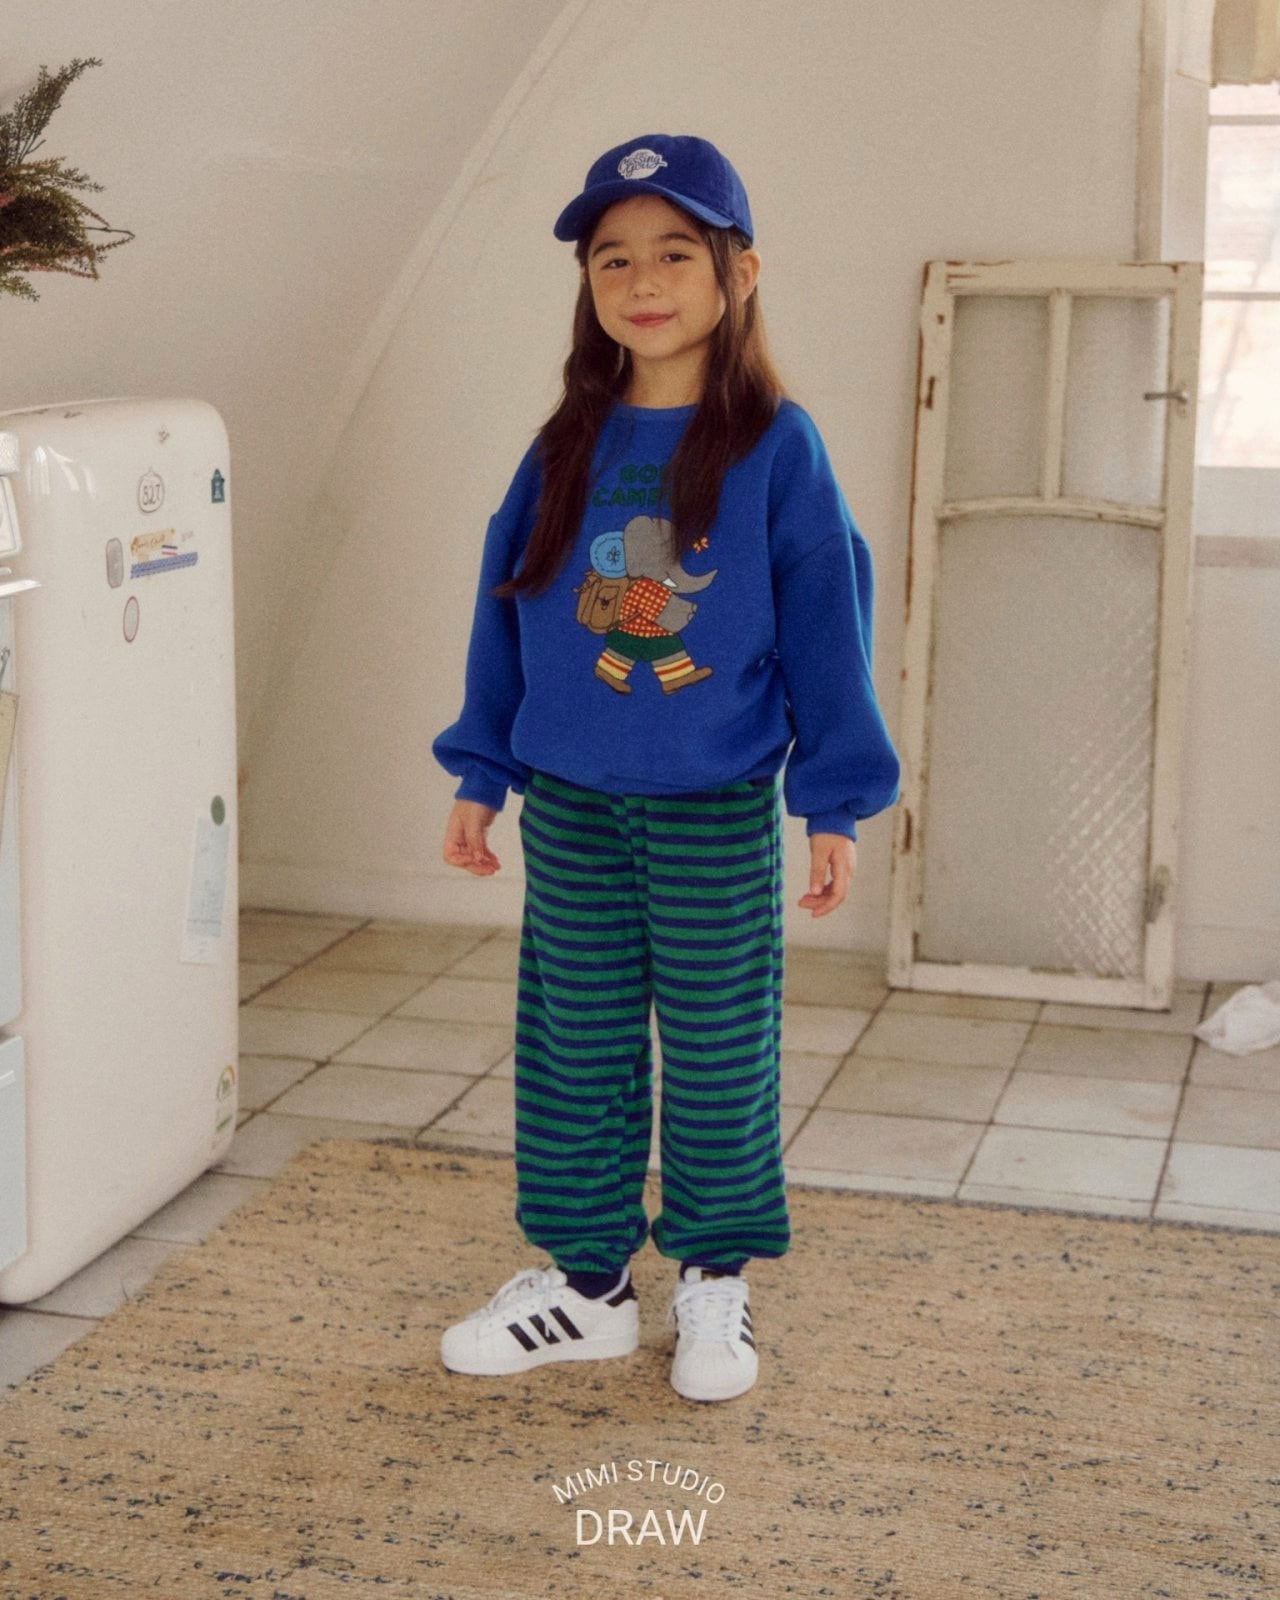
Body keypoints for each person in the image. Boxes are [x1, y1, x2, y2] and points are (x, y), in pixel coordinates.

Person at [431, 133, 899, 1403]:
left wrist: (833, 800)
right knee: (573, 1048)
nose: (642, 282)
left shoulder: (776, 448)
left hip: (711, 805)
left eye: (675, 254)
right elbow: (507, 609)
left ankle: (712, 1282)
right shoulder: (562, 445)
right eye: (612, 259)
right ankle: (587, 1290)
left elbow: (827, 622)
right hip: (571, 807)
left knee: (714, 1049)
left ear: (737, 271)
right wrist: (480, 770)